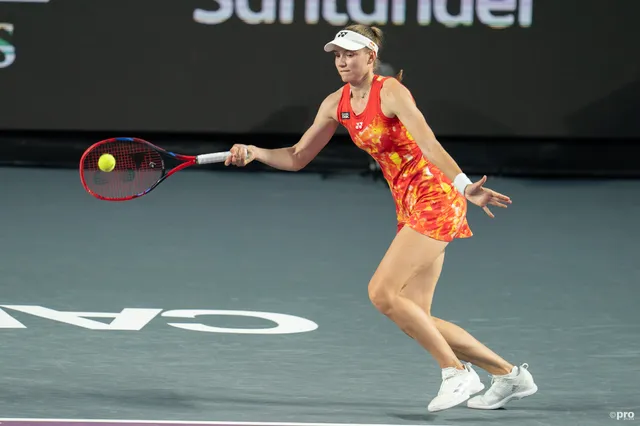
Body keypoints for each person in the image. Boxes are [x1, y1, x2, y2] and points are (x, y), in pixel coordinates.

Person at [224, 24, 538, 413]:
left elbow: (428, 142)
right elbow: (297, 156)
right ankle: (510, 376)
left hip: (436, 197)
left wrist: (464, 185)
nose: (342, 61)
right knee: (416, 315)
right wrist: (255, 152)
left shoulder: (390, 91)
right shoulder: (334, 103)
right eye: (337, 55)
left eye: (351, 54)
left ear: (371, 57)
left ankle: (456, 372)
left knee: (382, 293)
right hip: (408, 204)